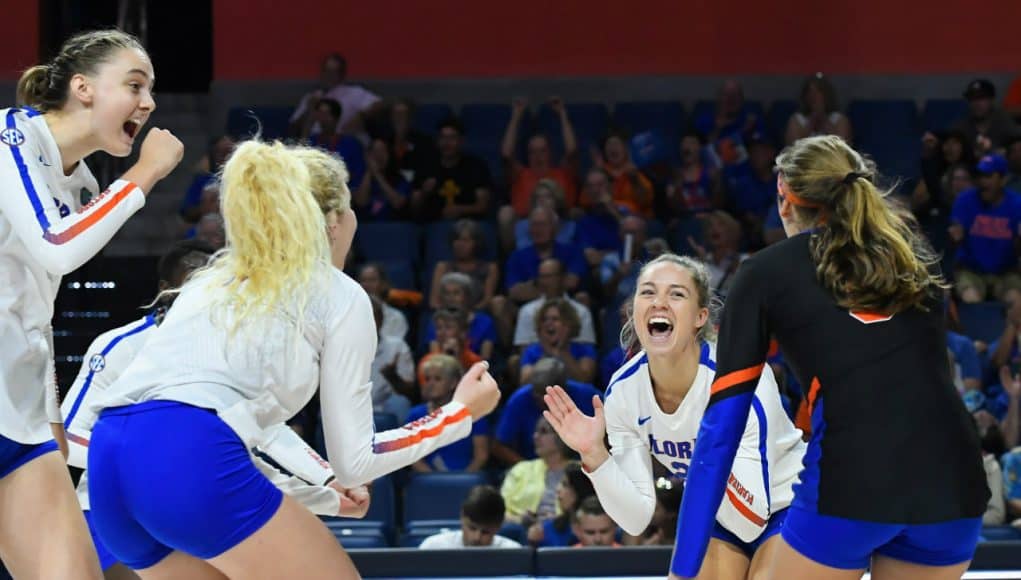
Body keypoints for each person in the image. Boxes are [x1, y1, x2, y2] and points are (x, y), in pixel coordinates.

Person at [84, 140, 501, 578]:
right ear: (336, 220)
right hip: (186, 457)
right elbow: (356, 462)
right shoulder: (338, 294)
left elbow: (216, 422)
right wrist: (457, 414)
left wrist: (320, 488)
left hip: (110, 463)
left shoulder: (211, 281)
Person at [671, 135, 989, 580]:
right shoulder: (911, 258)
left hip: (854, 478)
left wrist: (683, 569)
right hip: (954, 483)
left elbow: (721, 428)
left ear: (784, 196)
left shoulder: (764, 271)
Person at [63, 241, 369, 578]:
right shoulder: (119, 345)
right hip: (116, 498)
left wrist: (323, 477)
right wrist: (157, 456)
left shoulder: (229, 339)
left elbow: (260, 428)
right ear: (166, 290)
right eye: (194, 281)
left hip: (190, 489)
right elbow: (66, 434)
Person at [2, 29, 183, 579]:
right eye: (134, 85)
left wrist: (51, 411)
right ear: (82, 87)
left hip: (20, 418)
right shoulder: (10, 140)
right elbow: (57, 248)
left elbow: (38, 311)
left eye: (150, 90)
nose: (148, 103)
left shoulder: (79, 182)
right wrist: (145, 173)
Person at [543, 253, 805, 579]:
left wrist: (710, 450)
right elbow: (636, 518)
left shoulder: (740, 379)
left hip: (787, 504)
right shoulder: (624, 391)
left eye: (676, 294)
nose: (659, 303)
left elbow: (751, 519)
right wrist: (595, 456)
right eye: (648, 292)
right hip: (717, 514)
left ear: (700, 316)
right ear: (633, 310)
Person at [408, 354, 489, 473]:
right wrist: (436, 480)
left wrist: (459, 481)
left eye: (437, 379)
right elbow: (413, 458)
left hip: (466, 481)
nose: (430, 384)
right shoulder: (416, 415)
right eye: (427, 379)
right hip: (427, 482)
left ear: (453, 383)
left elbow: (481, 456)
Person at [419, 485, 522, 549]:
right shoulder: (433, 547)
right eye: (472, 528)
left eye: (485, 532)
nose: (476, 538)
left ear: (499, 526)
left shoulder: (514, 553)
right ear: (462, 517)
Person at [784, 73, 852, 145]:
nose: (814, 96)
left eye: (818, 92)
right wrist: (812, 119)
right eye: (810, 92)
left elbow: (843, 146)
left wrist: (823, 118)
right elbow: (792, 147)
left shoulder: (839, 119)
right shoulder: (796, 119)